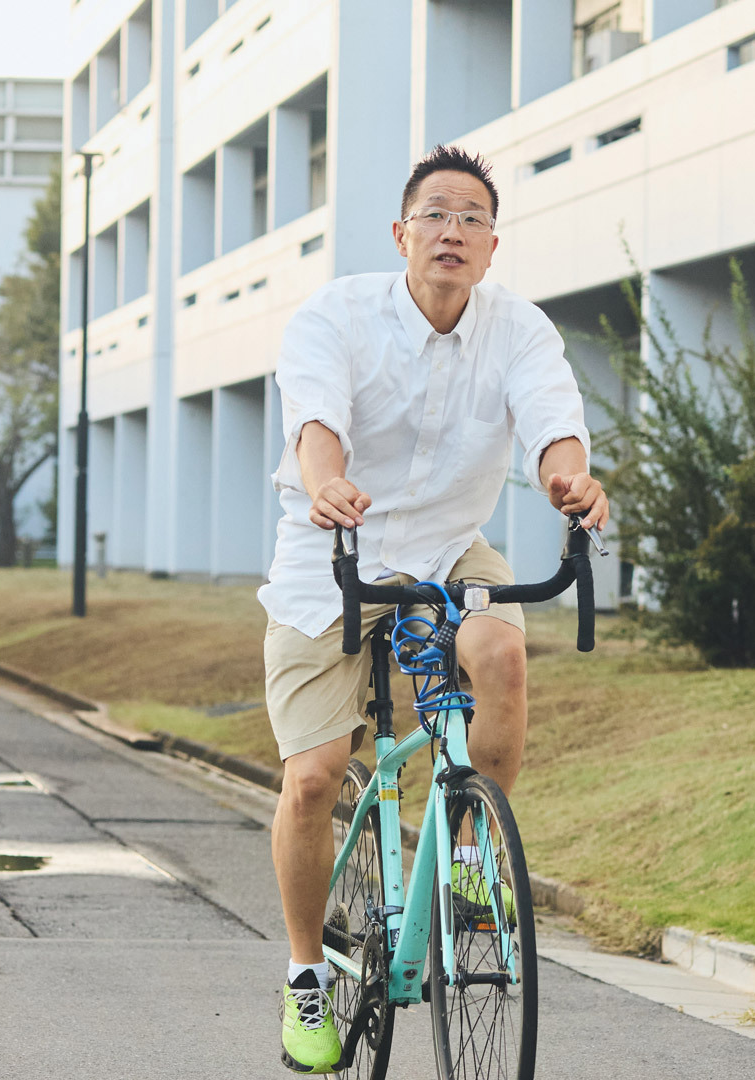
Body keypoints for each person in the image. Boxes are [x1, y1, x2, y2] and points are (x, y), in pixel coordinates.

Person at [260, 145, 609, 1074]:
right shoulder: (336, 313)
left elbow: (550, 421)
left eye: (472, 219)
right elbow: (316, 419)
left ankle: (465, 861)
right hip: (331, 549)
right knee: (314, 777)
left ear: (493, 246)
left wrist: (568, 480)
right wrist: (327, 485)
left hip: (452, 545)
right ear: (401, 232)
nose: (452, 231)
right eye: (436, 214)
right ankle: (303, 975)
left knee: (499, 657)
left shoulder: (519, 329)